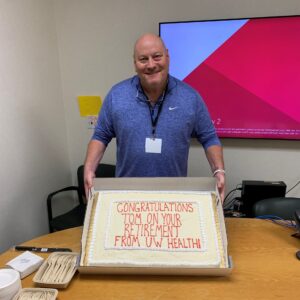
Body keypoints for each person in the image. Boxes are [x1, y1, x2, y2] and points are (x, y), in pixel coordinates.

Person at [84, 33, 225, 201]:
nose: (151, 65)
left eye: (157, 57)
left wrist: (219, 171)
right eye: (143, 59)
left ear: (167, 56)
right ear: (135, 64)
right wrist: (89, 168)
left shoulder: (190, 98)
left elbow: (209, 138)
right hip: (128, 199)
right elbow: (101, 135)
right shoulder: (117, 95)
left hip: (173, 199)